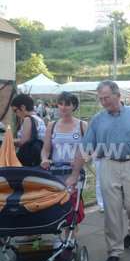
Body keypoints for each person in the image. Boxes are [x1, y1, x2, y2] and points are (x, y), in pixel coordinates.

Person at [66, 80, 130, 261]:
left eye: (106, 98)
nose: (103, 102)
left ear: (117, 95)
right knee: (112, 212)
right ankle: (114, 251)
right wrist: (74, 174)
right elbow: (84, 147)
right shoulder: (97, 119)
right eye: (101, 99)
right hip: (108, 165)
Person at [40, 92, 88, 227]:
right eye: (60, 104)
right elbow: (46, 149)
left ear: (74, 106)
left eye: (67, 104)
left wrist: (79, 160)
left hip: (75, 172)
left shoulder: (82, 125)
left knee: (72, 202)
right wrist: (44, 159)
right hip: (55, 172)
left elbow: (89, 149)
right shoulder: (52, 125)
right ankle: (59, 231)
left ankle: (71, 233)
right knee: (56, 203)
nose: (63, 107)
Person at [11, 94, 46, 166]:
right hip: (38, 158)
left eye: (15, 110)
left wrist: (8, 140)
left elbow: (23, 142)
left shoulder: (28, 119)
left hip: (30, 160)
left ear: (23, 107)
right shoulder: (38, 119)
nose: (15, 114)